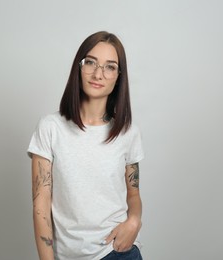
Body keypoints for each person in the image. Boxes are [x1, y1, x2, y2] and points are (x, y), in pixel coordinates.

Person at [28, 31, 144, 260]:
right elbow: (41, 207)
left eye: (110, 67)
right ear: (78, 67)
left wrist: (134, 221)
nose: (98, 73)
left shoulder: (128, 133)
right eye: (90, 62)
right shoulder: (50, 128)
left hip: (117, 251)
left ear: (118, 77)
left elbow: (133, 194)